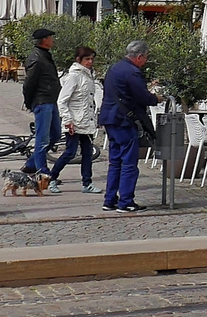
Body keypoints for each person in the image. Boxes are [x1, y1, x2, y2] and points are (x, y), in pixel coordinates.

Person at [98, 40, 158, 212]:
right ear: (139, 57)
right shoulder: (133, 72)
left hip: (110, 118)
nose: (145, 61)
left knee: (115, 161)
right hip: (124, 120)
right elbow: (143, 97)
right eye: (145, 58)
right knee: (129, 163)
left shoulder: (114, 68)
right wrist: (156, 99)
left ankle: (110, 200)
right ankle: (126, 201)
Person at [46, 45, 103, 194]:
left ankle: (87, 183)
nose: (90, 62)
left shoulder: (88, 76)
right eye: (87, 59)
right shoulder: (74, 76)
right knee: (70, 152)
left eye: (91, 59)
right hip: (74, 121)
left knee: (87, 153)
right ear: (79, 60)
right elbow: (62, 100)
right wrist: (67, 120)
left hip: (86, 121)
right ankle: (52, 178)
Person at [22, 28, 62, 176]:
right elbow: (29, 83)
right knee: (42, 139)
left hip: (51, 100)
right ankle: (43, 173)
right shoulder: (37, 58)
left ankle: (32, 164)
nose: (53, 40)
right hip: (42, 101)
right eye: (51, 37)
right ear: (44, 40)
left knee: (56, 135)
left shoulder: (44, 55)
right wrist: (29, 102)